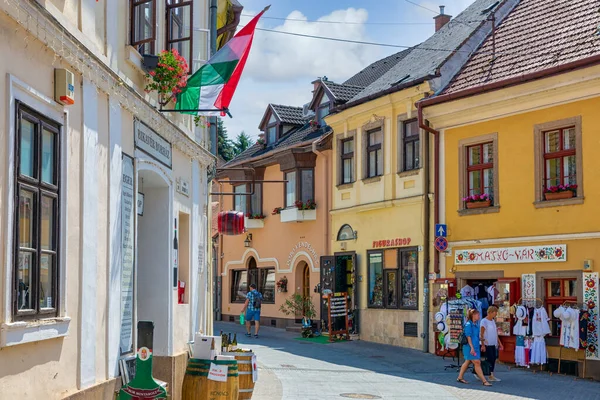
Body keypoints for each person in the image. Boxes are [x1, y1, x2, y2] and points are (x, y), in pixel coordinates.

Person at [457, 308, 492, 386]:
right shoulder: (469, 325)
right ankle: (484, 381)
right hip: (470, 347)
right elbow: (468, 337)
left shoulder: (476, 324)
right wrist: (472, 348)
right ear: (473, 315)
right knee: (477, 362)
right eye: (477, 314)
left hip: (475, 346)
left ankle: (460, 377)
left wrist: (481, 339)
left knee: (468, 361)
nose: (479, 316)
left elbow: (474, 336)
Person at [480, 305, 504, 382]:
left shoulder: (493, 321)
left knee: (493, 359)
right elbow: (482, 333)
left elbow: (495, 333)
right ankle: (489, 375)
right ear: (490, 312)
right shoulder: (484, 321)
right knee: (489, 359)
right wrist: (483, 344)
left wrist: (499, 343)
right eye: (495, 312)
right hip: (487, 343)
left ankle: (490, 374)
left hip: (493, 343)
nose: (496, 314)